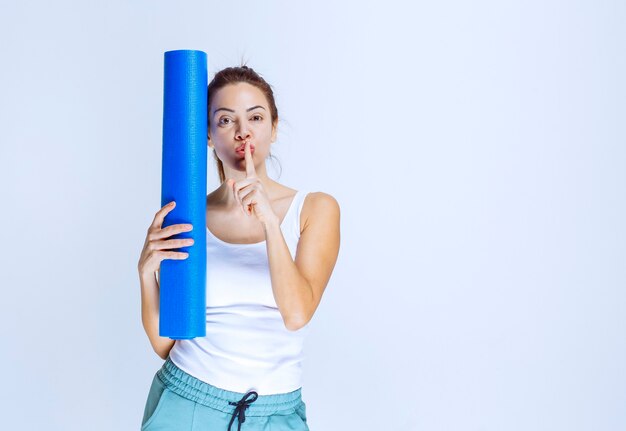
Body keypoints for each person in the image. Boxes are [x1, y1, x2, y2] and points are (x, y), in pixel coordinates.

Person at [137, 65, 341, 431]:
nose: (243, 131)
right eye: (226, 119)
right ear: (209, 136)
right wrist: (145, 274)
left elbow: (296, 313)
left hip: (275, 412)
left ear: (274, 128)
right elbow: (166, 344)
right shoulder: (189, 215)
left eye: (256, 117)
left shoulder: (315, 209)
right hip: (186, 402)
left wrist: (269, 222)